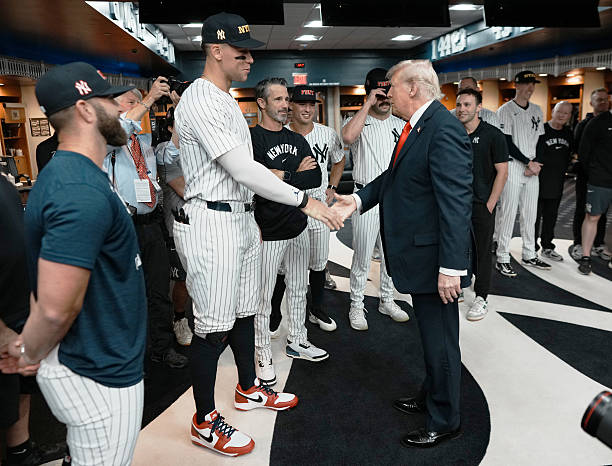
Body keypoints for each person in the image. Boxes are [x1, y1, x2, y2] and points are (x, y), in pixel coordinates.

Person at [172, 12, 342, 457]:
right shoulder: (202, 99)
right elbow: (242, 169)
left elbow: (253, 173)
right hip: (211, 221)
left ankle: (249, 388)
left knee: (249, 310)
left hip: (243, 218)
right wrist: (307, 200)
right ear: (215, 50)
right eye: (240, 51)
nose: (249, 59)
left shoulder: (228, 99)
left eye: (250, 52)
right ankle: (204, 420)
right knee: (212, 327)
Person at [0, 61, 147, 465]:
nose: (119, 108)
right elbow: (54, 306)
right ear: (85, 109)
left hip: (96, 359)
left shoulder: (74, 173)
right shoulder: (77, 187)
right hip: (98, 372)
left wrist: (29, 345)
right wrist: (29, 350)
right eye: (108, 99)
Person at [333, 59, 472, 448]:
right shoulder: (419, 126)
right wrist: (356, 200)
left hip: (436, 261)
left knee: (441, 340)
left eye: (391, 86)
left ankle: (445, 420)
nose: (387, 93)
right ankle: (432, 395)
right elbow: (394, 176)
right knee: (431, 338)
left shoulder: (442, 130)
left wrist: (451, 268)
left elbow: (456, 204)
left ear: (413, 88)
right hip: (422, 255)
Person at [104, 81, 188, 368]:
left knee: (158, 290)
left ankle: (162, 347)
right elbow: (120, 129)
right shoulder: (105, 139)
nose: (140, 109)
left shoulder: (142, 141)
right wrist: (150, 97)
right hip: (123, 228)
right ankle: (130, 354)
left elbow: (168, 157)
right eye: (130, 102)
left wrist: (179, 117)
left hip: (152, 225)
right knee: (128, 294)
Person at [251, 78, 329, 386]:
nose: (286, 105)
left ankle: (298, 339)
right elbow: (254, 180)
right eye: (280, 99)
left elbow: (315, 176)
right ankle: (262, 352)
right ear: (262, 103)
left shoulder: (296, 139)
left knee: (299, 288)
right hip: (266, 230)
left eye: (287, 100)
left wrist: (277, 176)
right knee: (263, 297)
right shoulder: (251, 138)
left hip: (297, 226)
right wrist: (293, 173)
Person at [268, 84, 346, 335]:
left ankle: (317, 308)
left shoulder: (327, 133)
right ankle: (274, 311)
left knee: (319, 262)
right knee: (282, 265)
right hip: (290, 205)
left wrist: (332, 186)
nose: (308, 109)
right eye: (302, 104)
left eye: (312, 104)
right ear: (291, 105)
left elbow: (339, 159)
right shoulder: (281, 134)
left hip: (319, 205)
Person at [341, 67, 409, 331]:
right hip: (366, 197)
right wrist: (368, 101)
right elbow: (346, 137)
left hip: (394, 198)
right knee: (362, 255)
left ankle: (387, 300)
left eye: (387, 91)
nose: (384, 97)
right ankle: (356, 304)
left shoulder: (401, 124)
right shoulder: (359, 119)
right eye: (378, 92)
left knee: (391, 254)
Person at [455, 88, 508, 322]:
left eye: (467, 105)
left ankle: (481, 296)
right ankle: (458, 285)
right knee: (457, 246)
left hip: (481, 203)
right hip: (455, 203)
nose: (462, 109)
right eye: (459, 105)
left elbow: (502, 172)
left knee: (483, 251)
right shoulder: (453, 133)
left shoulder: (493, 135)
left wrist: (490, 203)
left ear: (478, 108)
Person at [495, 71, 551, 277]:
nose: (530, 88)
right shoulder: (505, 110)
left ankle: (529, 253)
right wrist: (528, 162)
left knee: (530, 214)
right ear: (516, 85)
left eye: (532, 84)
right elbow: (506, 143)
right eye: (526, 84)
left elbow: (542, 141)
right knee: (508, 213)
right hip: (514, 167)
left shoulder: (537, 110)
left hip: (533, 167)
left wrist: (537, 163)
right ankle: (502, 256)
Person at [156, 107, 193, 346]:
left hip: (204, 224)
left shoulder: (200, 148)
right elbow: (184, 190)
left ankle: (199, 319)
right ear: (170, 128)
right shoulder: (165, 151)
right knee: (181, 279)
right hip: (178, 225)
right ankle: (179, 320)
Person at [570, 88, 610, 261]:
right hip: (588, 176)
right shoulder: (584, 124)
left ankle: (598, 242)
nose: (603, 102)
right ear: (591, 103)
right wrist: (591, 172)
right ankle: (579, 243)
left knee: (601, 212)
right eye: (598, 100)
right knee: (583, 210)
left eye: (605, 99)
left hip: (604, 179)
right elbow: (580, 152)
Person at [534, 101, 574, 261]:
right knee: (534, 218)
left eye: (566, 113)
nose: (562, 116)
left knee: (551, 217)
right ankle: (531, 248)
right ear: (553, 111)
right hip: (537, 182)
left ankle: (547, 247)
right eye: (559, 112)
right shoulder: (541, 130)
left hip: (557, 182)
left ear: (570, 116)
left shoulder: (569, 133)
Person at [576, 107, 612, 274]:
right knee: (593, 216)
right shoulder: (598, 122)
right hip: (600, 179)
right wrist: (595, 172)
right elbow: (584, 151)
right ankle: (585, 257)